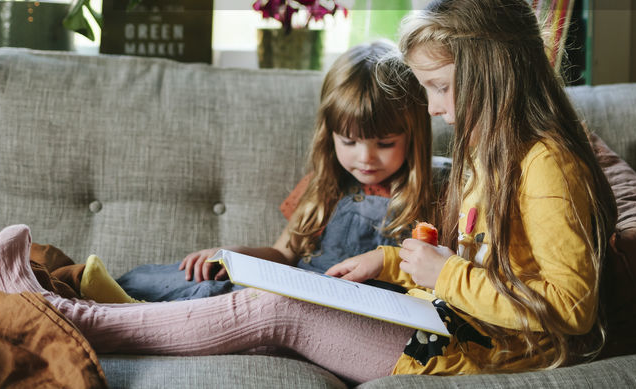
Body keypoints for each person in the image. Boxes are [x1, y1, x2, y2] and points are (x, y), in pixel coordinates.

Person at [0, 0, 617, 383]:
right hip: (448, 321)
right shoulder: (493, 154)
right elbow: (473, 265)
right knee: (267, 289)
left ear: (493, 77)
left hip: (484, 350)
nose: (437, 108)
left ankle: (68, 316)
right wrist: (391, 260)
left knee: (279, 310)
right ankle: (74, 305)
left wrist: (442, 271)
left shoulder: (547, 165)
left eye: (442, 89)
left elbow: (570, 308)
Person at [107, 39, 443, 302]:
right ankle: (84, 285)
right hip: (299, 288)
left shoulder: (434, 191)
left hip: (358, 310)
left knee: (224, 299)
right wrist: (233, 256)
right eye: (349, 141)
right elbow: (284, 253)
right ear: (330, 136)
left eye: (384, 144)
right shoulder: (326, 185)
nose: (366, 158)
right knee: (198, 282)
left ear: (414, 136)